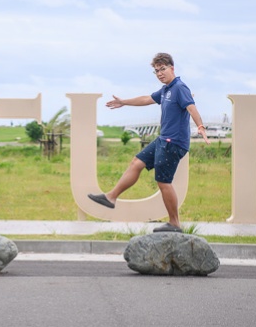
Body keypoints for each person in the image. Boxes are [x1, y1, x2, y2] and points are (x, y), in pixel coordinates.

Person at [88, 53, 208, 232]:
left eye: (163, 69)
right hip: (163, 139)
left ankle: (175, 223)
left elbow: (191, 107)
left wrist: (200, 125)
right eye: (156, 71)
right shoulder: (166, 89)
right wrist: (124, 102)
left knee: (163, 181)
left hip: (173, 143)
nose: (160, 73)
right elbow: (147, 99)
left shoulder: (179, 88)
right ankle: (111, 197)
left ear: (172, 68)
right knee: (136, 163)